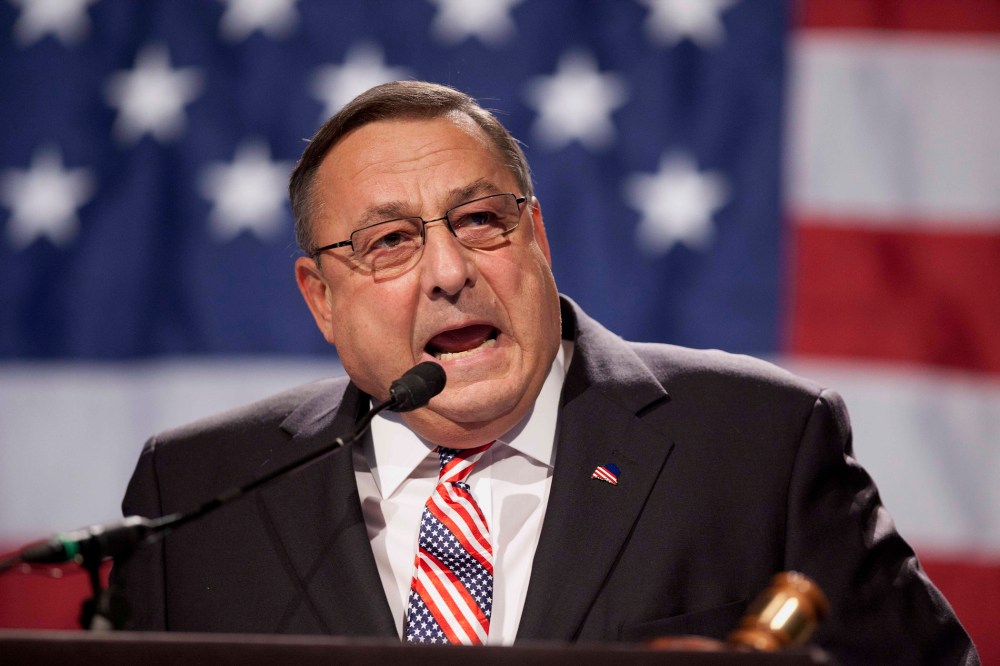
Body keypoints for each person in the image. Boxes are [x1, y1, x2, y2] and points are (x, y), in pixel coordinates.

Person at [114, 81, 978, 663]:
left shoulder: (758, 444)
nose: (450, 271)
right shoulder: (196, 494)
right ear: (322, 298)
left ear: (538, 239)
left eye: (482, 219)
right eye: (390, 242)